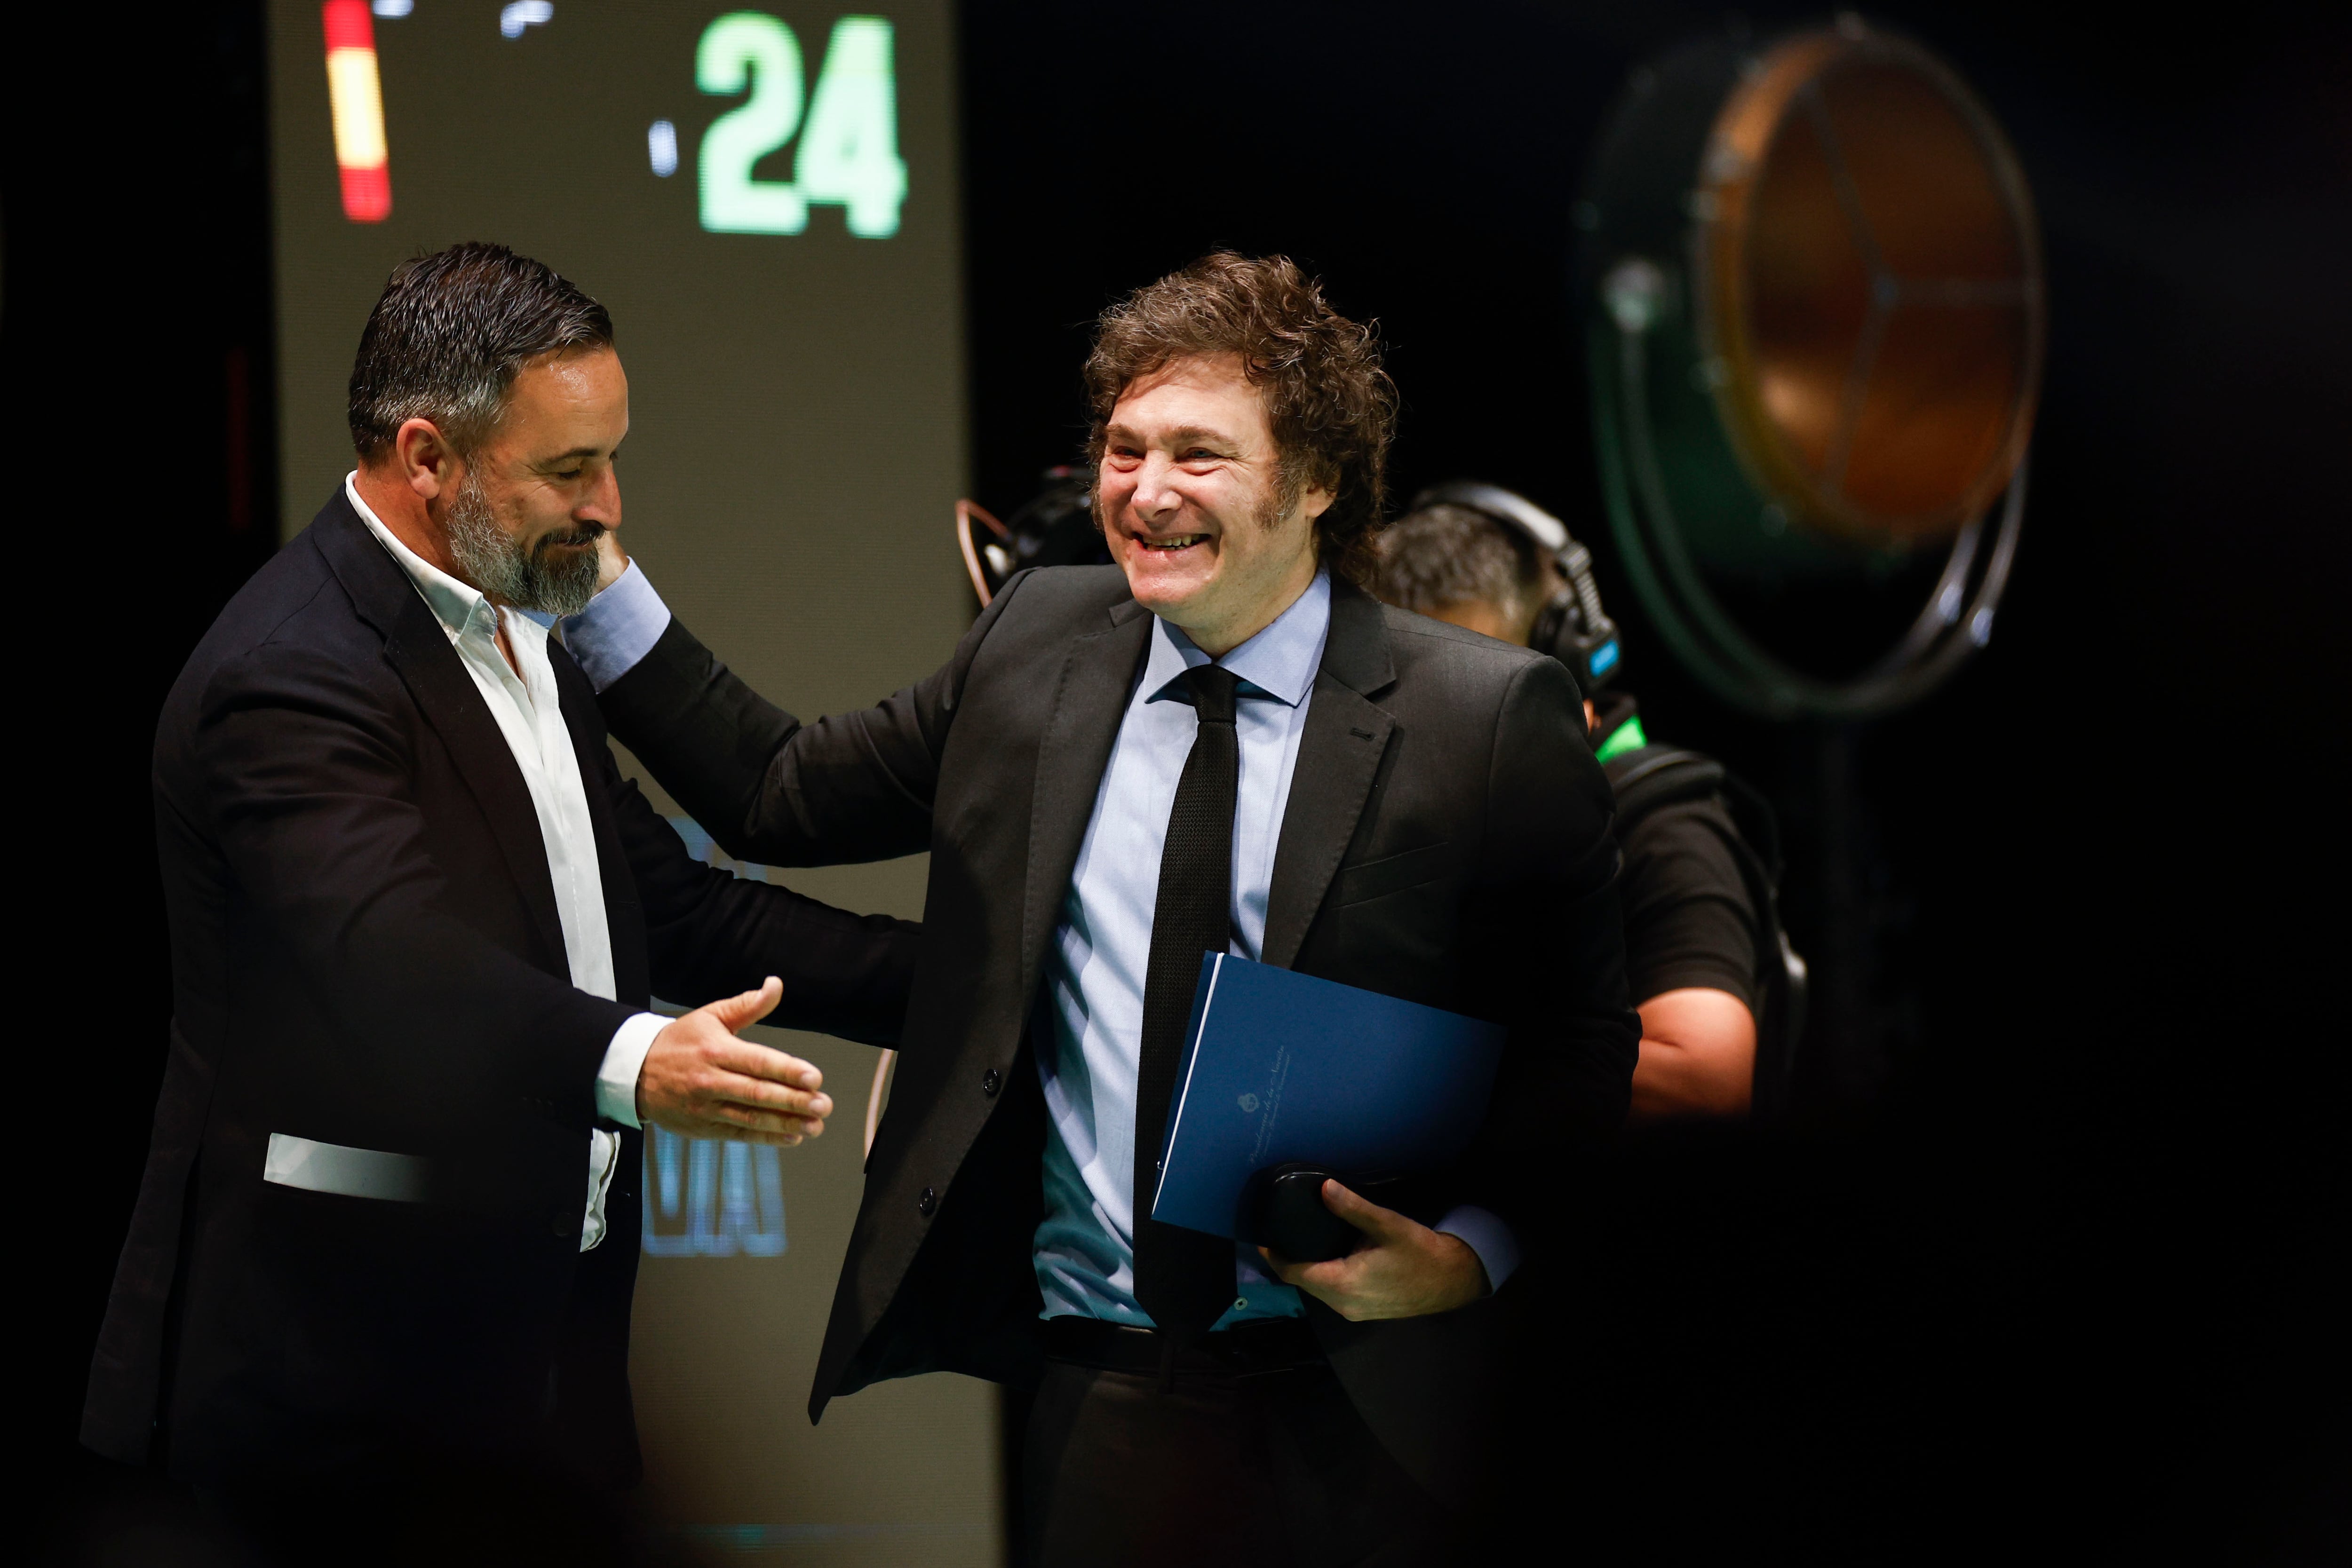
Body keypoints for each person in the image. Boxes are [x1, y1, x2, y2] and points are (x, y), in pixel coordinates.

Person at [562, 253, 1637, 1564]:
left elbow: (1583, 1040)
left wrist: (1474, 1251)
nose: (1146, 491)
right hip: (1104, 1401)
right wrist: (590, 591)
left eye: (1198, 453)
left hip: (1379, 1397)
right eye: (1125, 449)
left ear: (1313, 483)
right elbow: (778, 790)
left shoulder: (1482, 715)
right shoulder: (1036, 644)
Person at [82, 244, 918, 1548]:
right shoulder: (289, 676)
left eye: (612, 457)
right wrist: (639, 1059)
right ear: (429, 458)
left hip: (534, 1356)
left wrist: (965, 987)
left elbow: (678, 911)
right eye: (571, 468)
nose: (609, 505)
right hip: (336, 1392)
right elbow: (394, 968)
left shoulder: (517, 620)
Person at [1370, 488, 1790, 1121]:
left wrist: (1441, 1048)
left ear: (1564, 664)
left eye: (1474, 684)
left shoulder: (1663, 826)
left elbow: (1707, 1081)